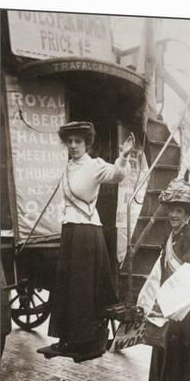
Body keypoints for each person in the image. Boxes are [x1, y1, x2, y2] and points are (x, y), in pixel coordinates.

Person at [47, 121, 135, 356]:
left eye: (78, 141)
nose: (73, 146)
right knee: (68, 288)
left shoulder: (94, 165)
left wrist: (123, 156)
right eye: (70, 142)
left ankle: (85, 341)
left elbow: (117, 175)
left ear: (87, 144)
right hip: (71, 230)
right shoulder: (68, 167)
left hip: (86, 232)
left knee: (82, 289)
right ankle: (67, 339)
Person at [147, 179, 190, 381]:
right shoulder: (172, 237)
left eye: (179, 211)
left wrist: (172, 305)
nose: (174, 215)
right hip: (171, 310)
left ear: (187, 215)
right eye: (171, 210)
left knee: (181, 368)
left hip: (187, 316)